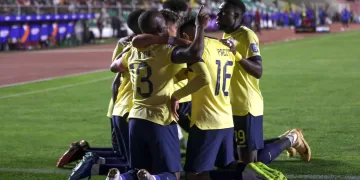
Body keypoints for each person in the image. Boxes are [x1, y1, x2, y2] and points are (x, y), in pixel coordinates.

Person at [107, 7, 211, 180]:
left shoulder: (132, 52)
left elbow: (115, 67)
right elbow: (195, 55)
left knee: (139, 171)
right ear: (161, 29)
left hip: (136, 119)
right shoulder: (166, 52)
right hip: (159, 119)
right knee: (172, 174)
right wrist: (200, 28)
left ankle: (121, 178)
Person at [216, 0, 311, 164]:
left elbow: (258, 70)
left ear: (237, 15)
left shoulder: (247, 35)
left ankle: (292, 138)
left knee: (250, 164)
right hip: (231, 106)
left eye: (223, 12)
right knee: (235, 157)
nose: (217, 16)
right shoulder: (226, 35)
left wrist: (236, 54)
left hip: (246, 107)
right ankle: (289, 138)